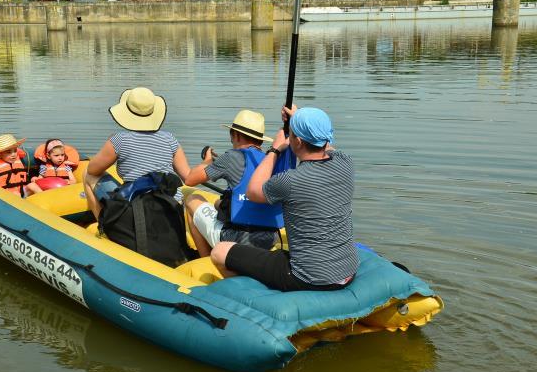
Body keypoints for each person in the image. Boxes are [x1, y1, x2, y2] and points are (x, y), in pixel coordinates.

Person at [210, 105, 359, 292]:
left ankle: (252, 297)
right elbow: (324, 143)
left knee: (219, 251)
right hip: (347, 271)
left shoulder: (289, 180)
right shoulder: (345, 162)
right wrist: (298, 118)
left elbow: (253, 191)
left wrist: (274, 149)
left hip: (307, 276)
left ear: (296, 141)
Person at [184, 109, 283, 257]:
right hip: (269, 239)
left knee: (192, 199)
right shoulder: (271, 161)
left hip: (235, 239)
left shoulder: (231, 157)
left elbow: (190, 180)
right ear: (261, 141)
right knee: (218, 203)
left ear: (235, 135)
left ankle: (205, 260)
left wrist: (207, 161)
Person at [83, 87, 190, 220]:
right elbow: (188, 177)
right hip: (172, 203)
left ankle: (104, 224)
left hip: (136, 206)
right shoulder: (170, 138)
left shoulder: (119, 139)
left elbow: (93, 170)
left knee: (87, 174)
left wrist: (110, 145)